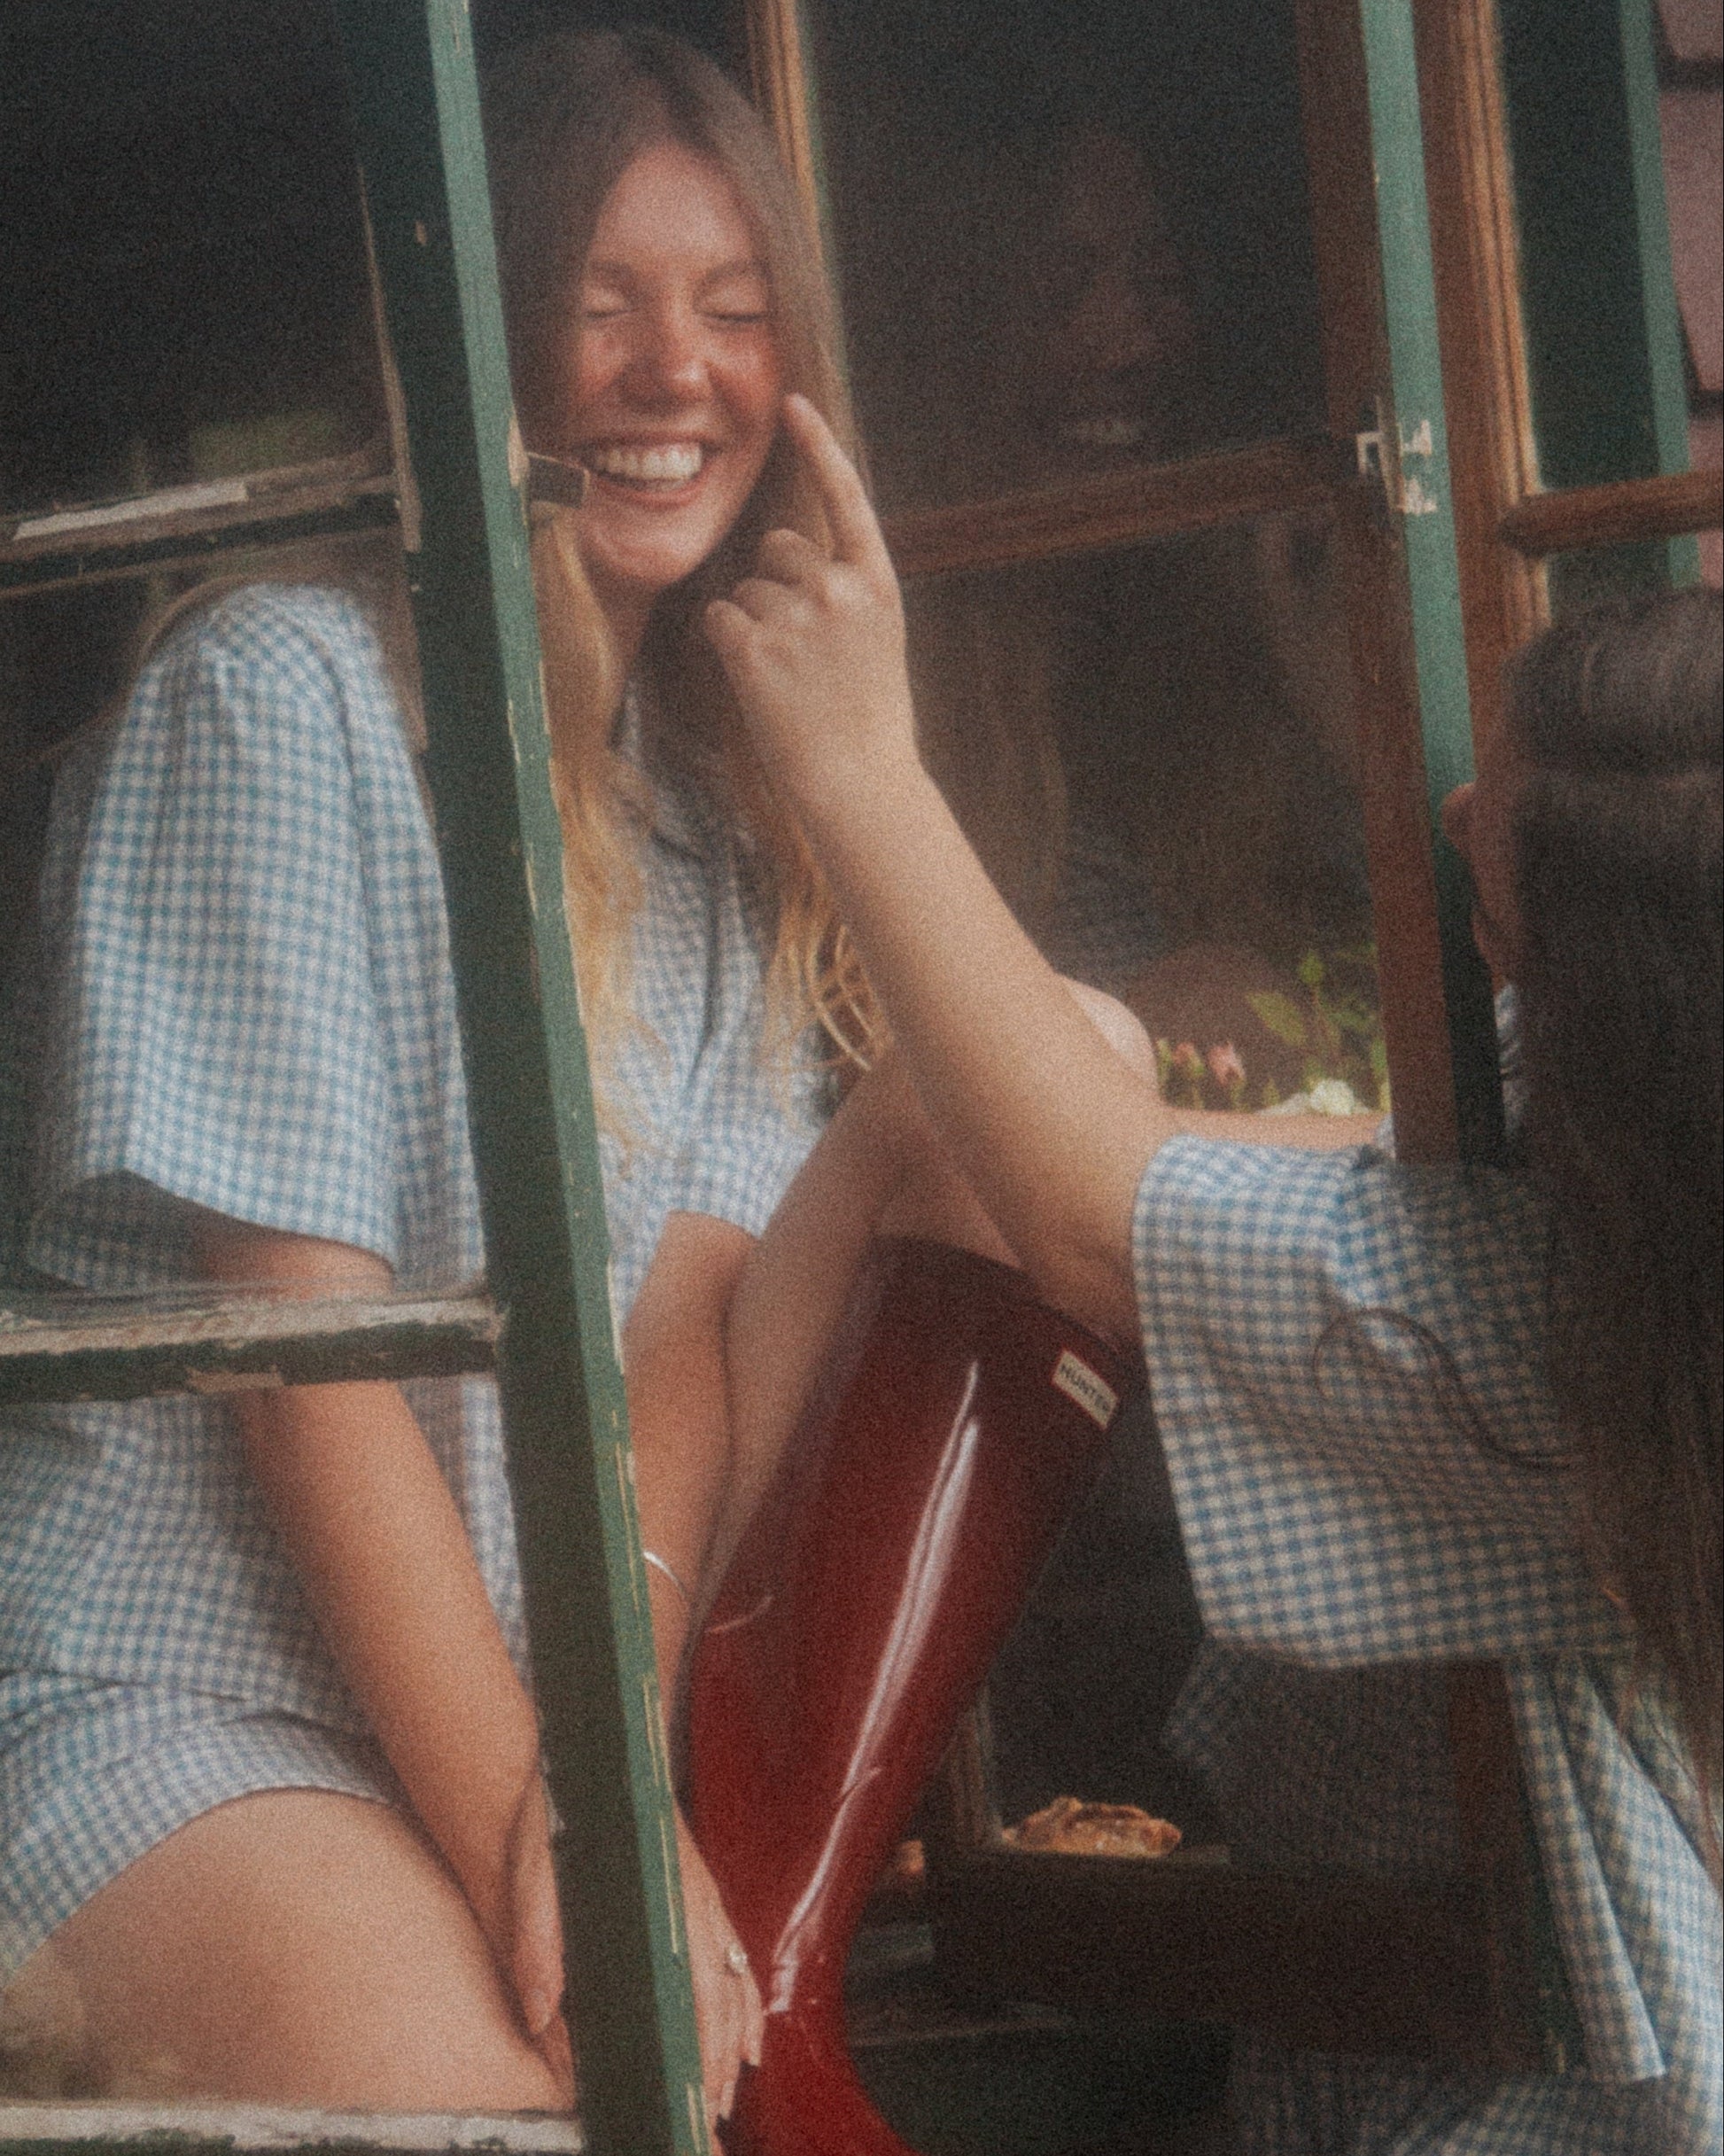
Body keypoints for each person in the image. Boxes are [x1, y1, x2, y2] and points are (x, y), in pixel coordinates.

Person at [0, 28, 876, 2123]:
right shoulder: (277, 695)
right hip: (176, 1680)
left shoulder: (707, 816)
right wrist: (562, 1822)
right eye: (602, 305)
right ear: (479, 341)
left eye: (735, 315)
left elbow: (674, 1338)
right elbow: (304, 1354)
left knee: (660, 2061)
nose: (678, 370)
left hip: (479, 1722)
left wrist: (597, 1792)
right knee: (507, 2117)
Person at [703, 393, 1722, 2152]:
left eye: (1500, 812)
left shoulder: (1542, 1328)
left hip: (1543, 2101)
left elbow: (1103, 1218)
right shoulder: (1647, 1172)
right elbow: (1339, 1148)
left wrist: (859, 765)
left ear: (1598, 979)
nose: (1451, 801)